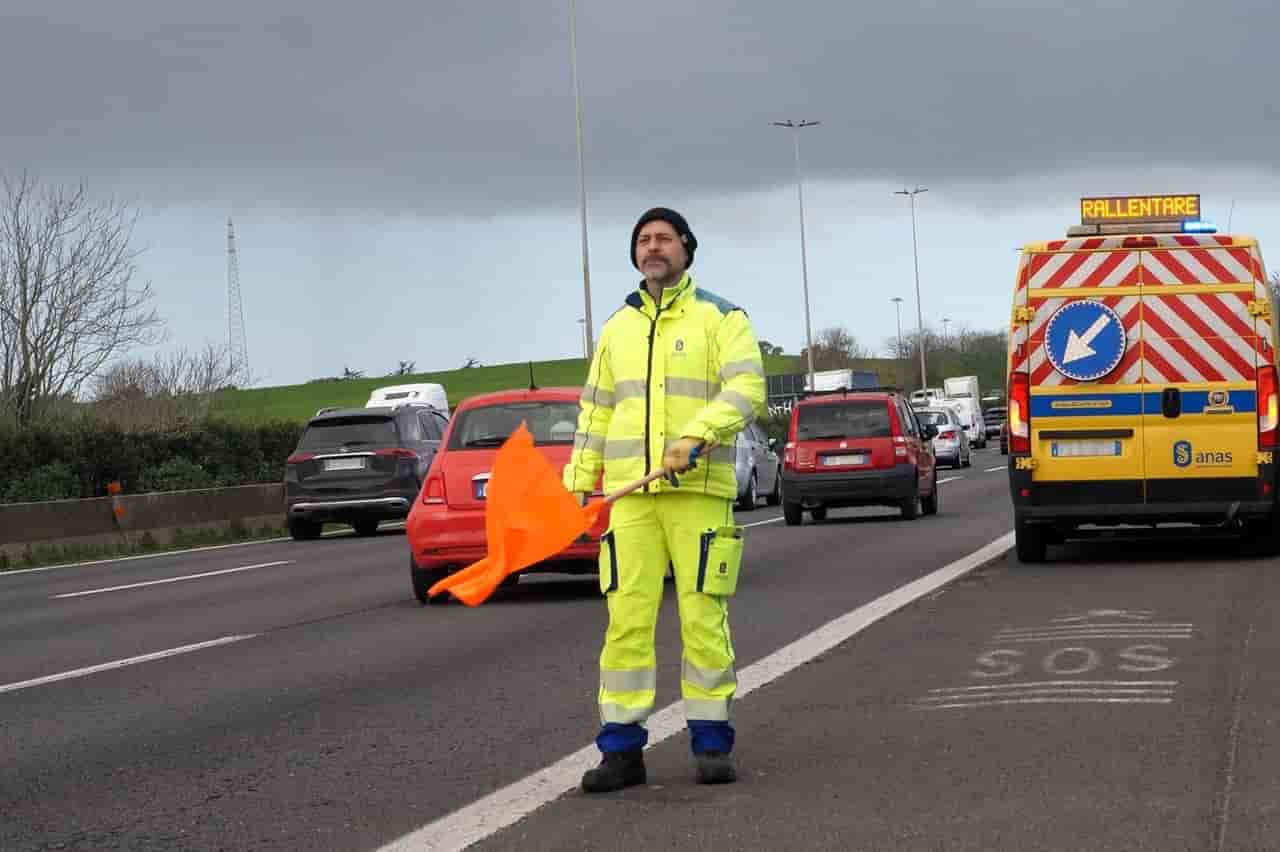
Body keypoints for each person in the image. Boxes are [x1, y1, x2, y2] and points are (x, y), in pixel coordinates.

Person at [563, 207, 766, 792]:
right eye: (643, 240)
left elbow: (747, 388)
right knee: (626, 623)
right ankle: (621, 753)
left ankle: (710, 744)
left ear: (686, 248)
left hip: (698, 492)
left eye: (664, 239)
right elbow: (596, 409)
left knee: (703, 619)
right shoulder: (616, 329)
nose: (653, 248)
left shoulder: (721, 318)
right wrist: (581, 482)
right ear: (635, 254)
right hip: (630, 499)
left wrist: (697, 435)